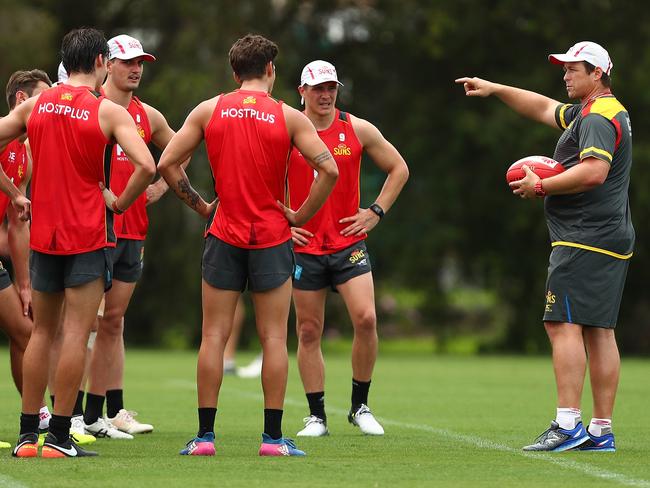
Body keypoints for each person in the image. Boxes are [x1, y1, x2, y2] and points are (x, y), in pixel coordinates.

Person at [158, 34, 338, 457]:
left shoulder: (209, 110)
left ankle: (204, 438)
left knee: (213, 336)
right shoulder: (289, 116)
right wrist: (299, 215)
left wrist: (202, 206)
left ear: (234, 72)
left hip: (223, 234)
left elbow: (166, 163)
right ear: (271, 71)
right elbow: (328, 169)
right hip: (272, 237)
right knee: (274, 338)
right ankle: (273, 440)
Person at [456, 41, 632, 452]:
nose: (565, 74)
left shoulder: (599, 117)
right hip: (608, 236)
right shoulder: (595, 111)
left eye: (574, 69)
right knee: (599, 331)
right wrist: (495, 88)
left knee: (562, 324)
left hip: (584, 237)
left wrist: (542, 186)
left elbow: (593, 172)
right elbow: (540, 107)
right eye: (565, 68)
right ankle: (600, 431)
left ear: (597, 74)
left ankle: (568, 424)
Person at [0, 27, 155, 458]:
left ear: (66, 62)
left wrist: (16, 194)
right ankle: (60, 438)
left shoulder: (36, 105)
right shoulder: (106, 111)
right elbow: (145, 164)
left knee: (41, 334)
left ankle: (28, 437)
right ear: (102, 63)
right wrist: (119, 202)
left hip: (43, 237)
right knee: (74, 334)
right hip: (87, 236)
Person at [288, 61, 409, 437]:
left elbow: (399, 168)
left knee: (367, 319)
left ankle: (360, 406)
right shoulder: (287, 129)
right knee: (309, 331)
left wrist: (376, 211)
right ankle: (316, 416)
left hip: (348, 243)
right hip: (305, 246)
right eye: (318, 89)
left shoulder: (355, 128)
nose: (326, 95)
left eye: (332, 89)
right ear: (302, 91)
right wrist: (282, 225)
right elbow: (258, 180)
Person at [82, 33, 175, 439]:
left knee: (113, 322)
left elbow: (177, 149)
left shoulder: (147, 115)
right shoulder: (90, 107)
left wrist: (162, 186)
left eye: (141, 62)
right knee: (84, 324)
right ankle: (73, 413)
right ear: (108, 64)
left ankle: (105, 413)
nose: (136, 69)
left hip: (132, 230)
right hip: (92, 229)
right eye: (128, 62)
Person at [0, 69, 52, 450]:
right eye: (43, 100)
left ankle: (34, 416)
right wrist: (14, 193)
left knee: (24, 328)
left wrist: (25, 284)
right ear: (23, 101)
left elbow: (18, 226)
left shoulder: (26, 153)